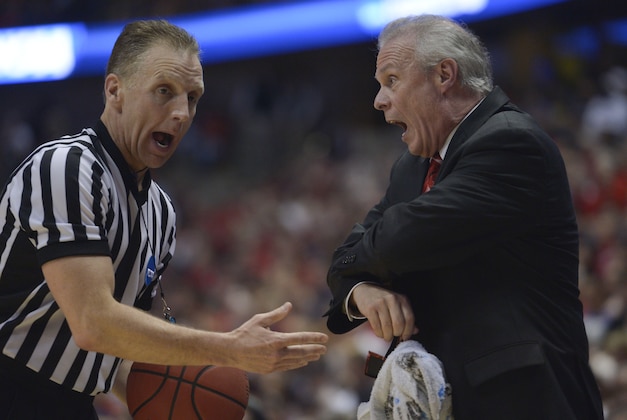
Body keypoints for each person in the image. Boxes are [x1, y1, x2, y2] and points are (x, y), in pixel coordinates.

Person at [0, 19, 327, 419]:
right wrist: (228, 348)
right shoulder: (65, 167)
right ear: (115, 90)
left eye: (192, 97)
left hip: (71, 405)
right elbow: (93, 323)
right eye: (164, 92)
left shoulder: (161, 213)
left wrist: (203, 403)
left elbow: (116, 352)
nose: (181, 113)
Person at [324, 14, 603, 419]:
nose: (378, 100)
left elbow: (403, 239)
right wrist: (361, 292)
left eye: (391, 80)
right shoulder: (411, 166)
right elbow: (348, 257)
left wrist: (363, 260)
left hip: (525, 400)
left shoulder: (510, 142)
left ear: (444, 75)